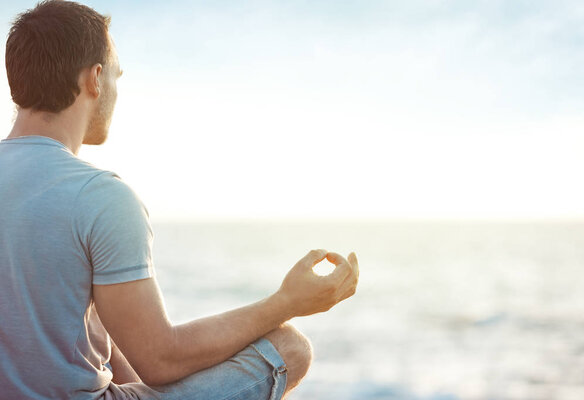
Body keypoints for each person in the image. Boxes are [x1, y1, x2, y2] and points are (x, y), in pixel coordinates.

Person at [0, 1, 359, 399]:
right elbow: (159, 360)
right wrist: (286, 301)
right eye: (117, 76)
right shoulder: (99, 196)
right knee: (291, 347)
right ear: (95, 79)